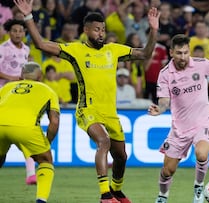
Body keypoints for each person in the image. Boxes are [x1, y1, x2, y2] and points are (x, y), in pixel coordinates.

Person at [14, 0, 160, 202]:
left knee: (121, 157)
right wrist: (29, 16)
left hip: (110, 113)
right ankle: (105, 194)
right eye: (97, 29)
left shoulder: (114, 50)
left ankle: (116, 190)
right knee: (104, 142)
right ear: (86, 30)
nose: (101, 33)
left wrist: (153, 30)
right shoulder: (76, 50)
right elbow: (41, 44)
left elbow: (145, 53)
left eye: (103, 29)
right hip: (87, 110)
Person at [148, 34, 209, 203]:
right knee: (168, 170)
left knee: (201, 153)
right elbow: (164, 101)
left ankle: (199, 187)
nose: (183, 57)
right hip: (180, 129)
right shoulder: (165, 74)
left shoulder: (202, 64)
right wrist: (159, 110)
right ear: (171, 52)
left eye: (185, 52)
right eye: (179, 53)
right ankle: (163, 195)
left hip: (203, 122)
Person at [0, 61, 60, 203]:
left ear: (21, 75)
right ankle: (41, 200)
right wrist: (47, 142)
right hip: (26, 128)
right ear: (40, 77)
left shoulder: (6, 87)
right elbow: (55, 121)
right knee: (45, 160)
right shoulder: (48, 90)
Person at [0, 18, 38, 185]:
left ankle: (31, 174)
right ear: (9, 32)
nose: (17, 33)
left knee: (27, 130)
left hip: (21, 95)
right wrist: (13, 78)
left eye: (21, 31)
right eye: (14, 31)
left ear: (25, 33)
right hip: (4, 95)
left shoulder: (26, 49)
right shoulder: (3, 49)